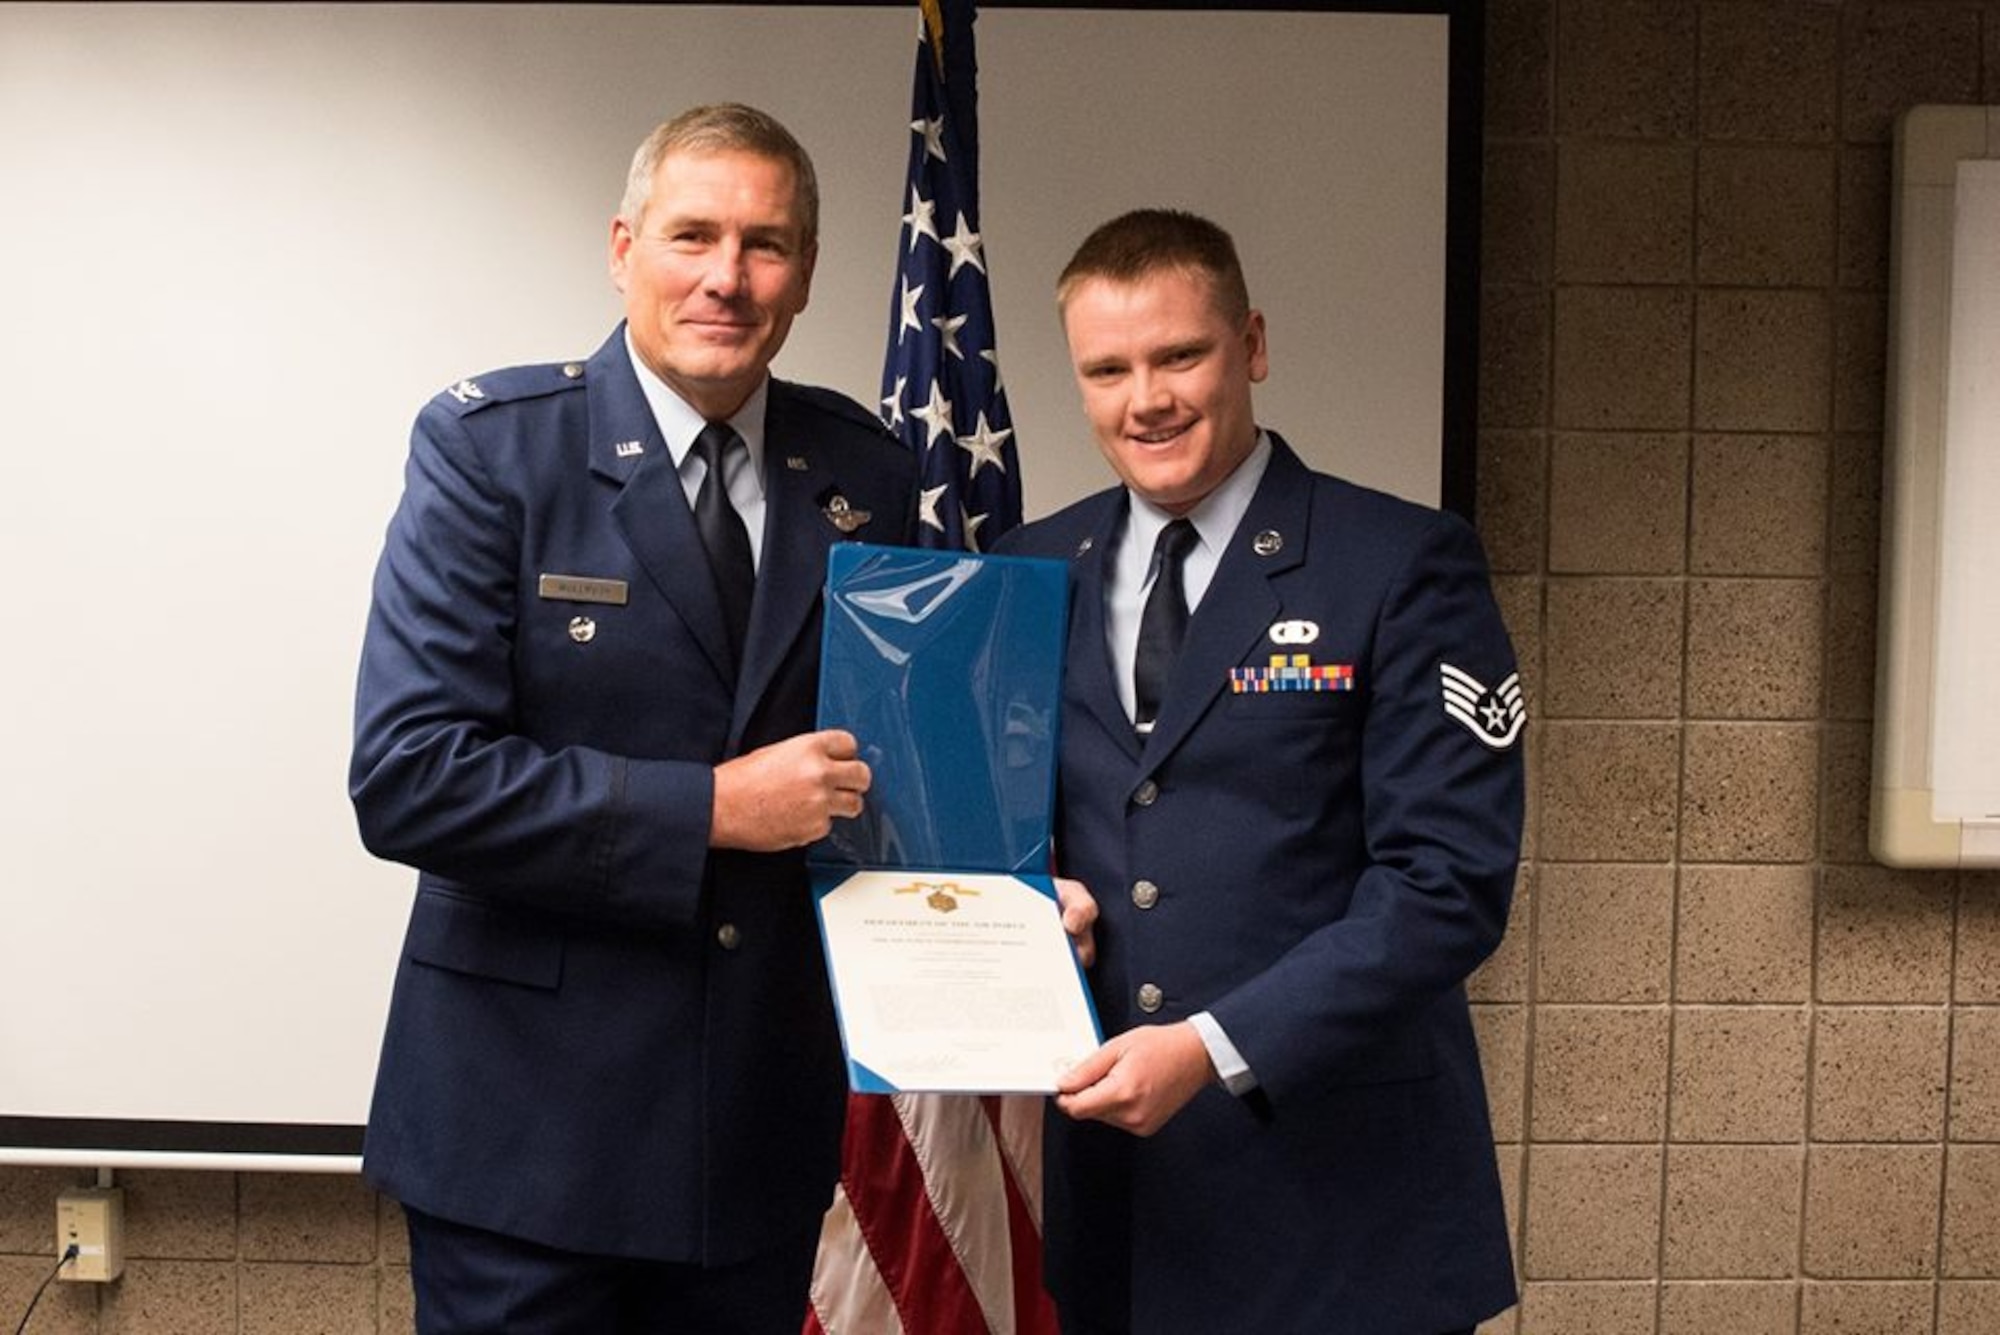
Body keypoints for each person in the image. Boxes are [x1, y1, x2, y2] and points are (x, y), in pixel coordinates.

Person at [348, 103, 920, 1333]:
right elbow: (410, 775)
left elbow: (915, 758)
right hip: (523, 1142)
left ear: (807, 273)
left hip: (755, 1136)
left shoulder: (863, 474)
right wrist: (713, 809)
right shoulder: (493, 451)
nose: (727, 277)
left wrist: (1025, 887)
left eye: (765, 245)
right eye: (692, 235)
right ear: (622, 248)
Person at [996, 210, 1525, 1335]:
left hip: (1341, 1205)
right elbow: (1005, 827)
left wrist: (1210, 1048)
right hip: (1117, 1206)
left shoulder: (1399, 562)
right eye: (1107, 369)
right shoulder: (1026, 568)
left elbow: (1446, 884)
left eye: (1178, 355)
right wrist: (1027, 900)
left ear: (1253, 345)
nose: (1146, 399)